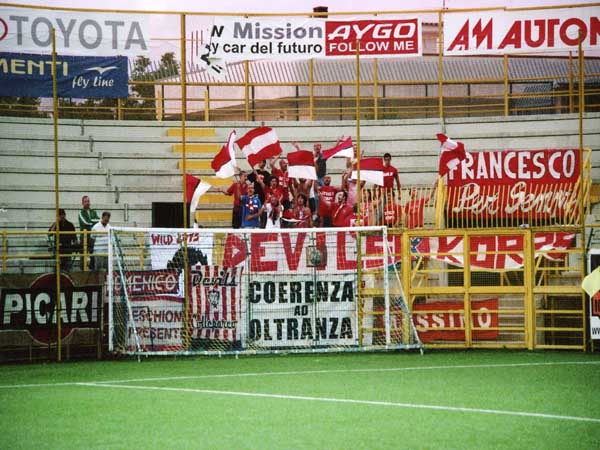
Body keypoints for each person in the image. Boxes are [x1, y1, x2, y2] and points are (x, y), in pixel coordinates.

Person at [78, 195, 99, 270]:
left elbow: (98, 220)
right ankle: (82, 269)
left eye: (88, 201)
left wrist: (93, 222)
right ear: (82, 203)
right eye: (86, 201)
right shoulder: (81, 213)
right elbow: (86, 222)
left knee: (93, 253)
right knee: (83, 254)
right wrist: (93, 222)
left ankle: (92, 268)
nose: (87, 203)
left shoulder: (93, 211)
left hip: (92, 236)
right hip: (84, 236)